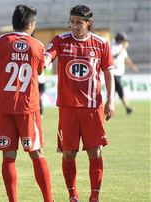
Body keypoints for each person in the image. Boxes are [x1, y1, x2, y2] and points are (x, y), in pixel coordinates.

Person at [0, 5, 53, 202]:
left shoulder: (0, 41)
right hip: (28, 107)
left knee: (8, 156)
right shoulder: (37, 45)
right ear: (29, 25)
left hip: (4, 107)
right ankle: (48, 199)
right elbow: (39, 71)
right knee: (36, 153)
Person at [44, 5, 115, 202]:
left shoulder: (101, 43)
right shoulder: (61, 40)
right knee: (68, 153)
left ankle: (94, 196)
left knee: (95, 151)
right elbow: (47, 57)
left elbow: (109, 73)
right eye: (72, 22)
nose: (74, 26)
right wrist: (44, 61)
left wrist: (111, 100)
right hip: (68, 108)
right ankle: (72, 195)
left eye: (79, 23)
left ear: (88, 23)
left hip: (93, 107)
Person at [111, 32, 138, 115]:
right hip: (114, 73)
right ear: (119, 39)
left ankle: (110, 109)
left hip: (119, 73)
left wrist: (132, 66)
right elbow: (112, 57)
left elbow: (126, 58)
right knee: (120, 90)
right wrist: (122, 49)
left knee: (112, 93)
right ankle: (127, 108)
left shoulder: (121, 47)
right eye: (124, 40)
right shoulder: (112, 46)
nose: (125, 42)